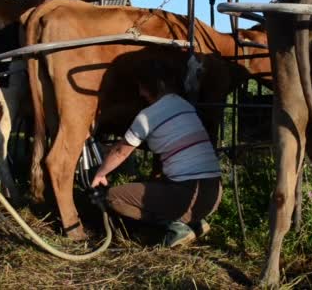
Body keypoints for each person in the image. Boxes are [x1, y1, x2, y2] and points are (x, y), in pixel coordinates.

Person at [91, 60, 222, 247]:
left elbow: (120, 152)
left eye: (143, 87)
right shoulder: (184, 105)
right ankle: (194, 220)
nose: (141, 93)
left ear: (158, 85)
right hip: (213, 194)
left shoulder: (147, 116)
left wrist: (100, 174)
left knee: (113, 196)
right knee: (158, 184)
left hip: (187, 195)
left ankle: (177, 224)